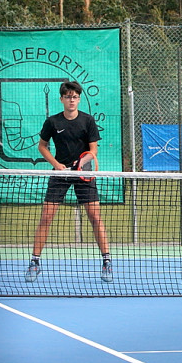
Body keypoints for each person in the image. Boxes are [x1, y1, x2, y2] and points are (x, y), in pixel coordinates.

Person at [25, 81, 113, 283]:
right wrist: (56, 165)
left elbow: (93, 151)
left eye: (74, 97)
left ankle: (107, 261)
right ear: (61, 99)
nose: (71, 100)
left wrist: (81, 164)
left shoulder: (88, 120)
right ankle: (34, 262)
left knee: (95, 217)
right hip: (60, 172)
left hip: (83, 173)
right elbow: (42, 146)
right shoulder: (52, 122)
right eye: (67, 97)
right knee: (46, 217)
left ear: (79, 99)